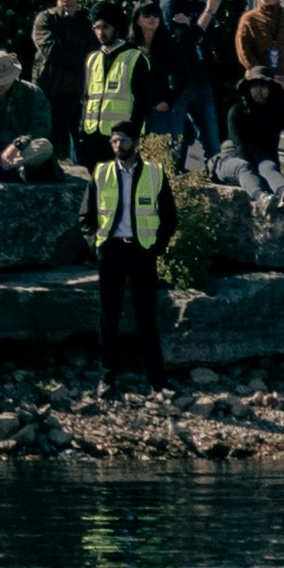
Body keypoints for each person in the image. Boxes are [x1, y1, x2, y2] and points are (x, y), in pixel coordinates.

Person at [84, 124, 179, 382]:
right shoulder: (102, 172)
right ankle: (107, 375)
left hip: (141, 252)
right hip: (111, 250)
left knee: (146, 316)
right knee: (108, 317)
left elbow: (170, 217)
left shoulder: (154, 173)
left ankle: (156, 378)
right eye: (114, 141)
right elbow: (86, 215)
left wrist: (155, 248)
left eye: (122, 140)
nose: (118, 146)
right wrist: (96, 243)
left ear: (135, 143)